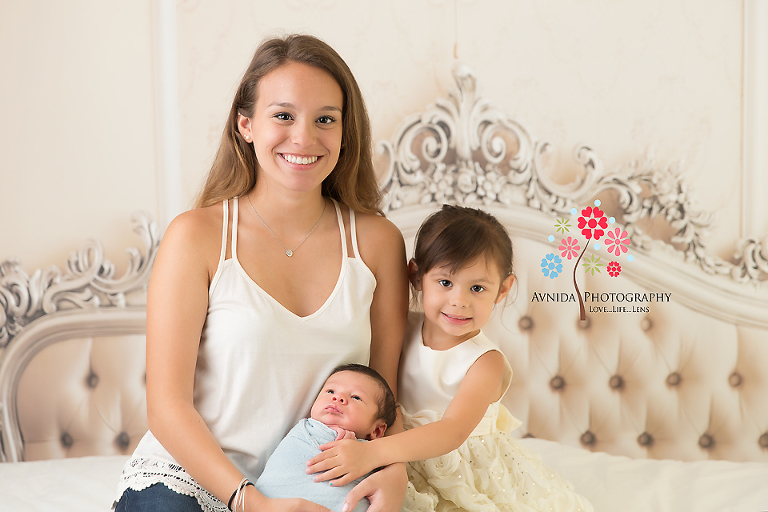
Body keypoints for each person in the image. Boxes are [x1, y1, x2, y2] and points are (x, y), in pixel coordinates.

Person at [113, 34, 409, 512]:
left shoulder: (378, 243)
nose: (304, 138)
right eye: (284, 116)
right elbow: (167, 408)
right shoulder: (197, 236)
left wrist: (394, 474)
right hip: (192, 482)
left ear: (344, 130)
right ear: (246, 124)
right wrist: (251, 502)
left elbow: (386, 397)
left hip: (318, 486)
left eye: (325, 120)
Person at [306, 205, 595, 512]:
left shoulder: (485, 362)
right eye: (445, 282)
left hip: (460, 469)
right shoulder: (401, 326)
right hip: (400, 457)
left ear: (503, 290)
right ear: (416, 276)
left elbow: (452, 431)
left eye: (477, 288)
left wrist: (373, 454)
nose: (459, 301)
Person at [254, 364, 397, 512]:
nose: (338, 397)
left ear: (377, 431)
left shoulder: (375, 455)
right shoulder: (304, 430)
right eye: (330, 391)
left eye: (356, 397)